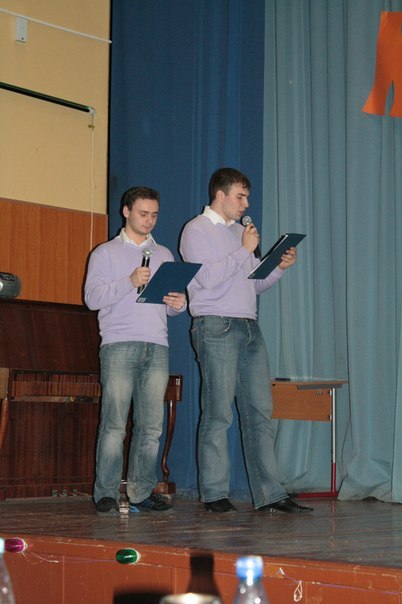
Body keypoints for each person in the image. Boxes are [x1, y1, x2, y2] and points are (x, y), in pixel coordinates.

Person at [180, 167, 312, 514]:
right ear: (220, 195)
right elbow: (207, 278)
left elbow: (254, 284)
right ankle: (214, 493)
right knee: (218, 412)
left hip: (249, 326)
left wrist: (279, 266)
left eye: (247, 197)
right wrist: (244, 250)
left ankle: (270, 494)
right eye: (240, 196)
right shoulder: (196, 229)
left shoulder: (241, 233)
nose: (246, 204)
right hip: (215, 325)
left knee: (260, 412)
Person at [85, 186, 187, 516]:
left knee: (151, 427)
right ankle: (105, 493)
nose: (149, 221)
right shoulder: (105, 253)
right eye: (143, 214)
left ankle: (141, 491)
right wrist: (128, 281)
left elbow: (169, 305)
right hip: (119, 344)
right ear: (126, 211)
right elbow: (92, 299)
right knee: (114, 424)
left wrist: (179, 304)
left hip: (156, 345)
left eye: (154, 215)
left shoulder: (164, 254)